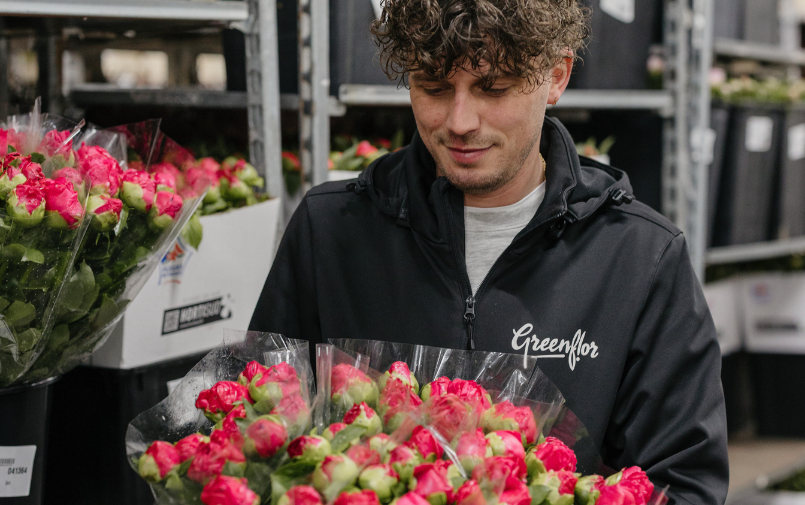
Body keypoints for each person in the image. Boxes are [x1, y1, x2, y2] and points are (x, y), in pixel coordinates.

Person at [250, 1, 729, 503]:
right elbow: (254, 436)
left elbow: (684, 484)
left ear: (556, 76)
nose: (460, 121)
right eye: (434, 87)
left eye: (493, 88)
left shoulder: (640, 257)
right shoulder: (329, 231)